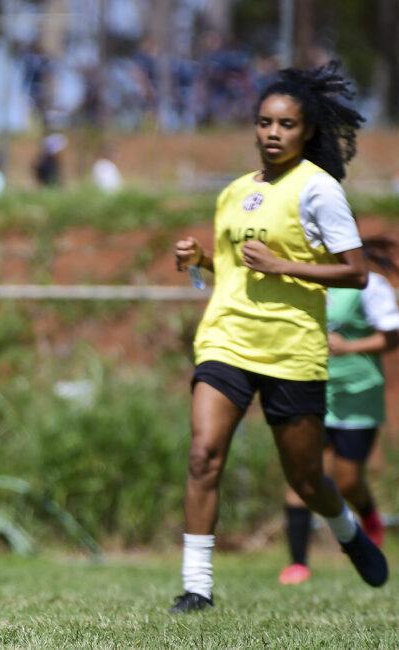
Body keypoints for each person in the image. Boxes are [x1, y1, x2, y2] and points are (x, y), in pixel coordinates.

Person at [169, 61, 385, 615]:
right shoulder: (235, 192)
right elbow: (238, 268)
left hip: (291, 349)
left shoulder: (320, 190)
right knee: (202, 456)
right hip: (227, 338)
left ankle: (347, 531)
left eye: (286, 125)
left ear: (307, 130)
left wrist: (283, 263)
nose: (273, 133)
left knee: (308, 478)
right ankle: (197, 587)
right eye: (265, 122)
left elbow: (356, 272)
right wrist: (201, 260)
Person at [279, 237, 399, 585]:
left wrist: (350, 347)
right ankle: (298, 562)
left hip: (357, 394)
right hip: (310, 389)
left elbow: (392, 336)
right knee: (302, 475)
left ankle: (369, 516)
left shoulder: (368, 285)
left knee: (347, 480)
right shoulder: (302, 280)